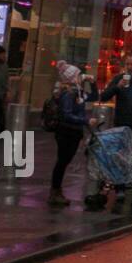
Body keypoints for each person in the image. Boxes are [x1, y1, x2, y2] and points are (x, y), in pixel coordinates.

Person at [49, 63, 89, 207]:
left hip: (72, 131)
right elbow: (67, 114)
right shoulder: (69, 94)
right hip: (67, 131)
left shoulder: (76, 91)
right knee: (62, 161)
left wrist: (93, 83)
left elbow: (92, 97)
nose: (81, 77)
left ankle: (56, 191)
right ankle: (55, 191)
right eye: (78, 75)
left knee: (64, 161)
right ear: (72, 77)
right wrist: (85, 120)